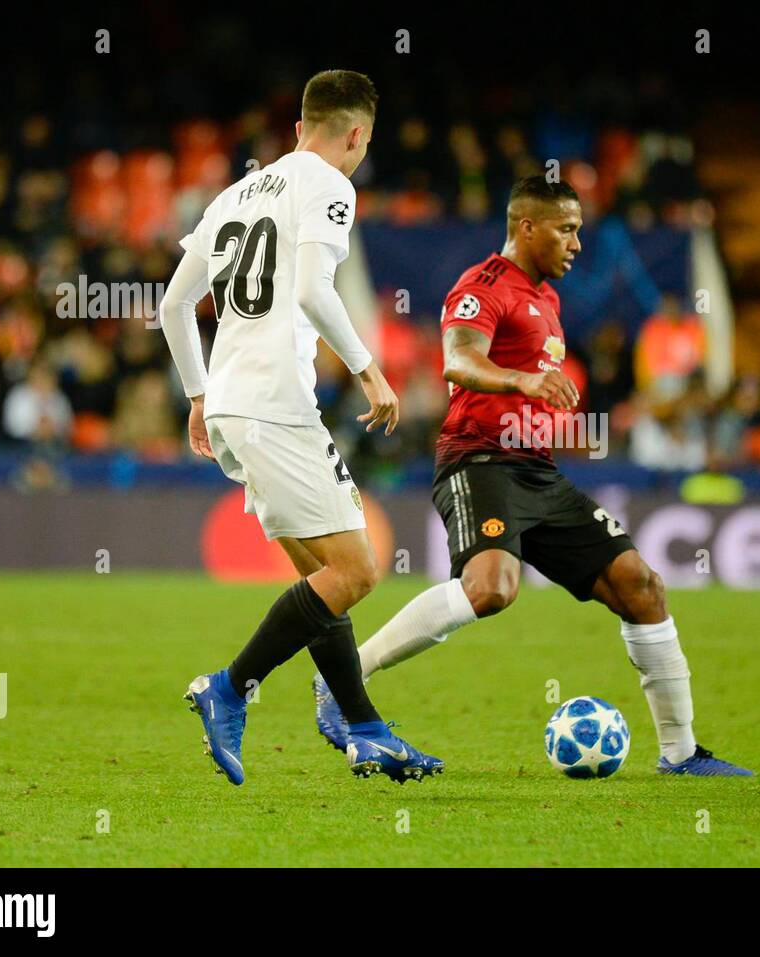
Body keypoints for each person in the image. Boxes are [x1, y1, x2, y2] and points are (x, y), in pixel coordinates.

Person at [313, 176, 752, 777]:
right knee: (492, 588)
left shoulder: (548, 300)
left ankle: (679, 754)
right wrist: (520, 381)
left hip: (536, 472)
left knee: (642, 587)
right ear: (526, 226)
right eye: (566, 229)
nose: (577, 244)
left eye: (579, 230)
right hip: (479, 460)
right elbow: (459, 359)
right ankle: (345, 679)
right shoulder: (483, 285)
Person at [158, 69, 440, 786]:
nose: (358, 158)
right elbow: (315, 289)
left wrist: (197, 395)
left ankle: (366, 728)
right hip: (276, 402)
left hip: (229, 402)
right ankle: (228, 686)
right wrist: (370, 368)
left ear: (296, 128)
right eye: (362, 146)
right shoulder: (330, 186)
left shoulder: (235, 192)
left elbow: (172, 305)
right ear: (355, 135)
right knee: (356, 570)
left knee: (322, 578)